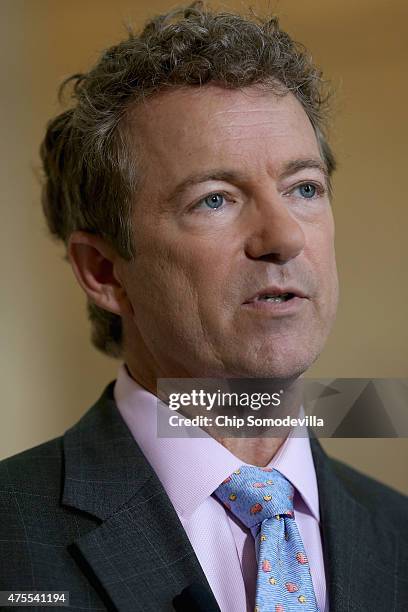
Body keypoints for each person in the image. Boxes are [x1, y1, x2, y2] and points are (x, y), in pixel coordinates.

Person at [1, 3, 407, 611]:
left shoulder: (397, 531)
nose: (285, 236)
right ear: (105, 273)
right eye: (215, 199)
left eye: (304, 187)